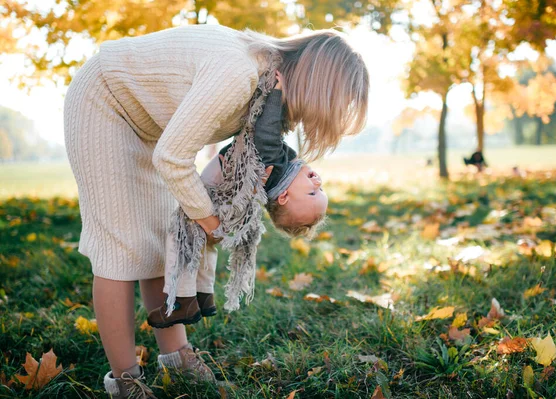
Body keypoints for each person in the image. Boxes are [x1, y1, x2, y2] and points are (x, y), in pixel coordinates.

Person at [63, 23, 368, 398]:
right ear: (320, 84)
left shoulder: (267, 90)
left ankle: (176, 357)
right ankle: (124, 380)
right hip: (106, 101)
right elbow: (173, 158)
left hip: (151, 125)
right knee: (120, 245)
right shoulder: (238, 73)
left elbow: (235, 159)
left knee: (164, 239)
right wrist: (209, 221)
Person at [147, 80, 328, 330]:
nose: (318, 181)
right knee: (205, 240)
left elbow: (267, 132)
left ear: (284, 196)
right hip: (222, 194)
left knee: (182, 235)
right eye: (321, 188)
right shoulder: (287, 167)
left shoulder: (272, 162)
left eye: (312, 192)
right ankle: (204, 294)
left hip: (214, 188)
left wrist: (276, 93)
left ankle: (181, 299)